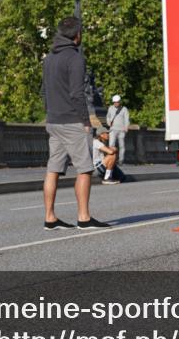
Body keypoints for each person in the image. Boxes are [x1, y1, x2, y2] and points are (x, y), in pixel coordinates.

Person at [40, 16, 110, 230]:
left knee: (53, 169)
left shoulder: (49, 58)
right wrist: (85, 121)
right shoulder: (75, 58)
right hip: (72, 121)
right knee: (84, 169)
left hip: (53, 121)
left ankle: (50, 218)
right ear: (77, 35)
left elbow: (44, 90)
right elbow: (77, 93)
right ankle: (84, 217)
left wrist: (50, 113)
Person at [106, 94, 130, 164]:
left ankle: (121, 160)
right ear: (113, 102)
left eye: (117, 102)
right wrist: (108, 123)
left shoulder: (124, 109)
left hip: (121, 130)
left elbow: (126, 119)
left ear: (120, 102)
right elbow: (108, 117)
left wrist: (126, 127)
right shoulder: (110, 108)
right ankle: (111, 159)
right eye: (115, 102)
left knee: (122, 146)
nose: (116, 103)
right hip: (113, 129)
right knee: (111, 145)